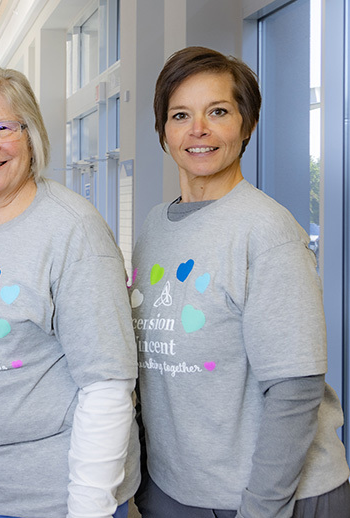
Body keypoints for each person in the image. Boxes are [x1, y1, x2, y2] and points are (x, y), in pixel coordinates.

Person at [131, 46, 350, 517]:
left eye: (218, 112)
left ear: (247, 124)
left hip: (268, 497)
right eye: (180, 115)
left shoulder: (267, 231)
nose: (198, 131)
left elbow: (295, 387)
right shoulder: (154, 228)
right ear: (163, 131)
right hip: (180, 489)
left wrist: (261, 508)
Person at [0, 67, 140, 518]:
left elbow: (107, 386)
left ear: (31, 136)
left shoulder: (73, 230)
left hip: (56, 498)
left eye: (3, 127)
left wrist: (87, 510)